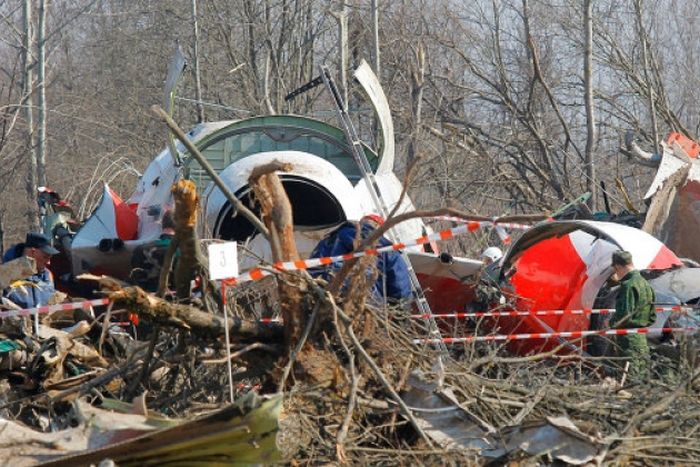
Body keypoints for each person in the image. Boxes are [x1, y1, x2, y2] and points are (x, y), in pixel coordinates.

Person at [310, 214, 412, 302]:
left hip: (323, 292)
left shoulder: (332, 238)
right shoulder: (388, 251)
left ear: (361, 222)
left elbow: (313, 265)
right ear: (380, 230)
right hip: (367, 305)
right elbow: (401, 290)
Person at [609, 250, 656, 382]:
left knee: (627, 381)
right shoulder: (646, 284)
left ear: (617, 267)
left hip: (627, 340)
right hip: (641, 339)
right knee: (641, 379)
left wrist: (611, 324)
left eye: (615, 269)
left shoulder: (628, 285)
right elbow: (652, 316)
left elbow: (624, 316)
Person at [3, 232, 58, 309]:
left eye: (50, 258)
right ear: (32, 252)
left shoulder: (48, 275)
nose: (49, 262)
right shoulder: (5, 274)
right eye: (45, 257)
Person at [130, 210, 176, 291]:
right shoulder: (185, 252)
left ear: (162, 224)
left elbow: (135, 278)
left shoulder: (139, 250)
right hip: (175, 301)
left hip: (144, 300)